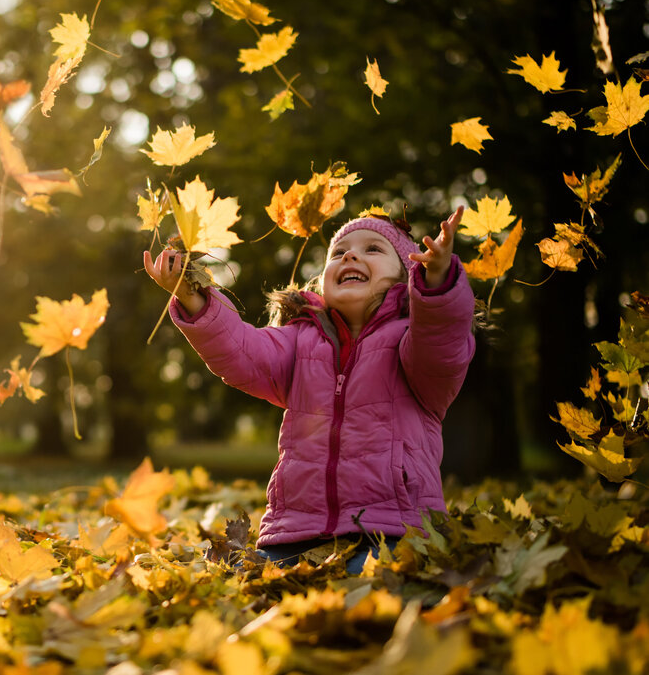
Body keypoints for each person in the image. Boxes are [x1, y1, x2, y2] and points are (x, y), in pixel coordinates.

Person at [143, 207, 474, 573]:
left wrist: (439, 282)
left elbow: (443, 341)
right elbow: (242, 352)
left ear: (406, 277)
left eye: (373, 250)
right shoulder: (301, 340)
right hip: (298, 531)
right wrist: (192, 297)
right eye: (338, 253)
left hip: (392, 529)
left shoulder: (413, 342)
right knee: (248, 578)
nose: (350, 255)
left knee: (368, 584)